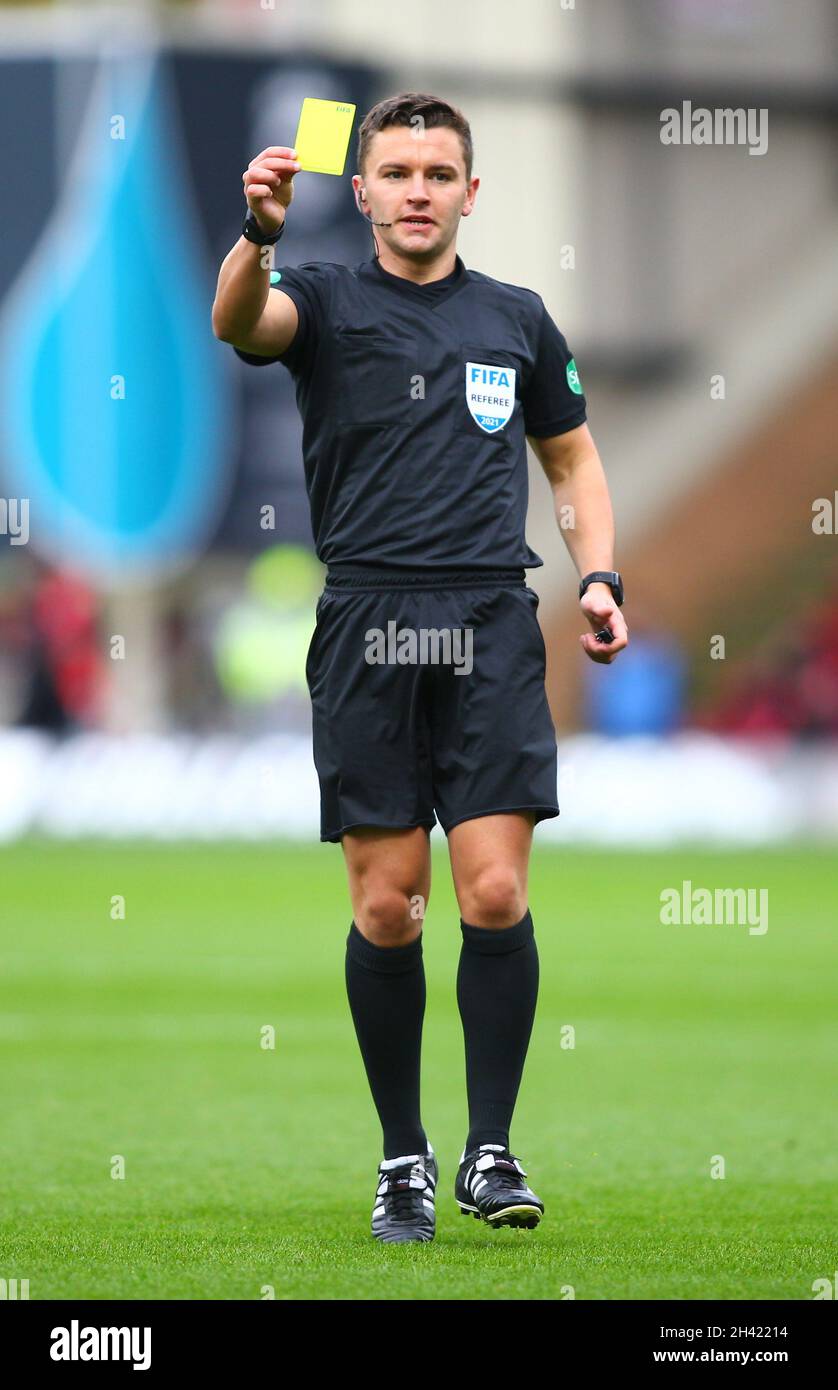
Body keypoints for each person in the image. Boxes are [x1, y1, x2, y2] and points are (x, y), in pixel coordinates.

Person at [212, 93, 628, 1244]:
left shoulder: (517, 318)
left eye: (437, 173)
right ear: (364, 188)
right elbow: (238, 327)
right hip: (369, 623)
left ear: (469, 192)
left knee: (494, 891)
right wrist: (257, 232)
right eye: (394, 171)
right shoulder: (326, 297)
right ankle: (403, 1156)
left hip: (491, 622)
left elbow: (574, 461)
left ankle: (491, 1151)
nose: (414, 189)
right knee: (389, 905)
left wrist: (599, 578)